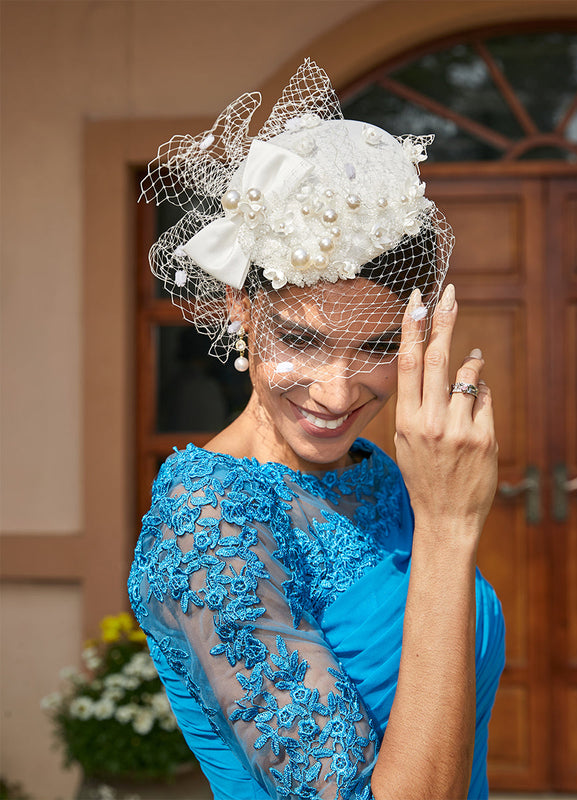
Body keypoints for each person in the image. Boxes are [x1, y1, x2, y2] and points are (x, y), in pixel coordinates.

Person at [128, 59, 505, 800]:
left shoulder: (378, 471)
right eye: (301, 340)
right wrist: (450, 525)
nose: (335, 395)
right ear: (241, 307)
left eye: (374, 347)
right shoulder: (209, 523)